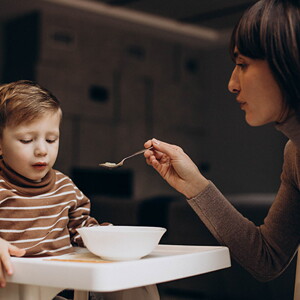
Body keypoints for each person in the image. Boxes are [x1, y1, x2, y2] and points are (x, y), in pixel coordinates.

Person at [144, 0, 300, 282]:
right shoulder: (295, 155)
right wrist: (195, 186)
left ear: (288, 59)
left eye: (243, 64)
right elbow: (267, 258)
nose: (232, 84)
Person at [0, 80, 159, 300]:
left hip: (63, 285)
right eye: (27, 140)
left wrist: (107, 237)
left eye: (51, 139)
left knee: (135, 290)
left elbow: (82, 228)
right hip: (14, 290)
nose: (41, 150)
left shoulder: (65, 187)